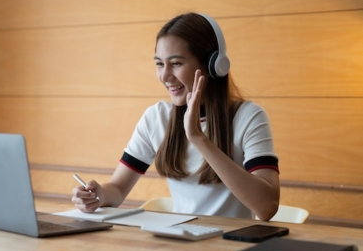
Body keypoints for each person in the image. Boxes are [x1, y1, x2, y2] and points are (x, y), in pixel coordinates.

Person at [71, 12, 280, 220]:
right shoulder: (156, 117)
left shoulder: (249, 117)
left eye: (176, 63)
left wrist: (198, 138)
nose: (165, 76)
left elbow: (266, 207)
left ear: (213, 66)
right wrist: (98, 195)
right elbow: (117, 188)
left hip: (230, 245)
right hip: (180, 242)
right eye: (160, 64)